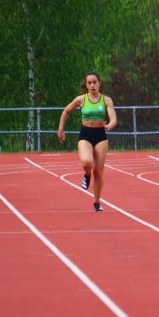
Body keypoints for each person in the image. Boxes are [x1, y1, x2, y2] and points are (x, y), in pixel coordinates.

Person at [57, 71, 117, 212]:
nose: (92, 85)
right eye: (89, 83)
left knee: (99, 171)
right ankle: (86, 174)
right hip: (85, 134)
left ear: (99, 83)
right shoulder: (81, 99)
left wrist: (110, 124)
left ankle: (96, 202)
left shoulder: (106, 100)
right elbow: (66, 111)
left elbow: (113, 117)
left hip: (100, 135)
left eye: (94, 82)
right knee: (87, 162)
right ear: (86, 85)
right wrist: (61, 130)